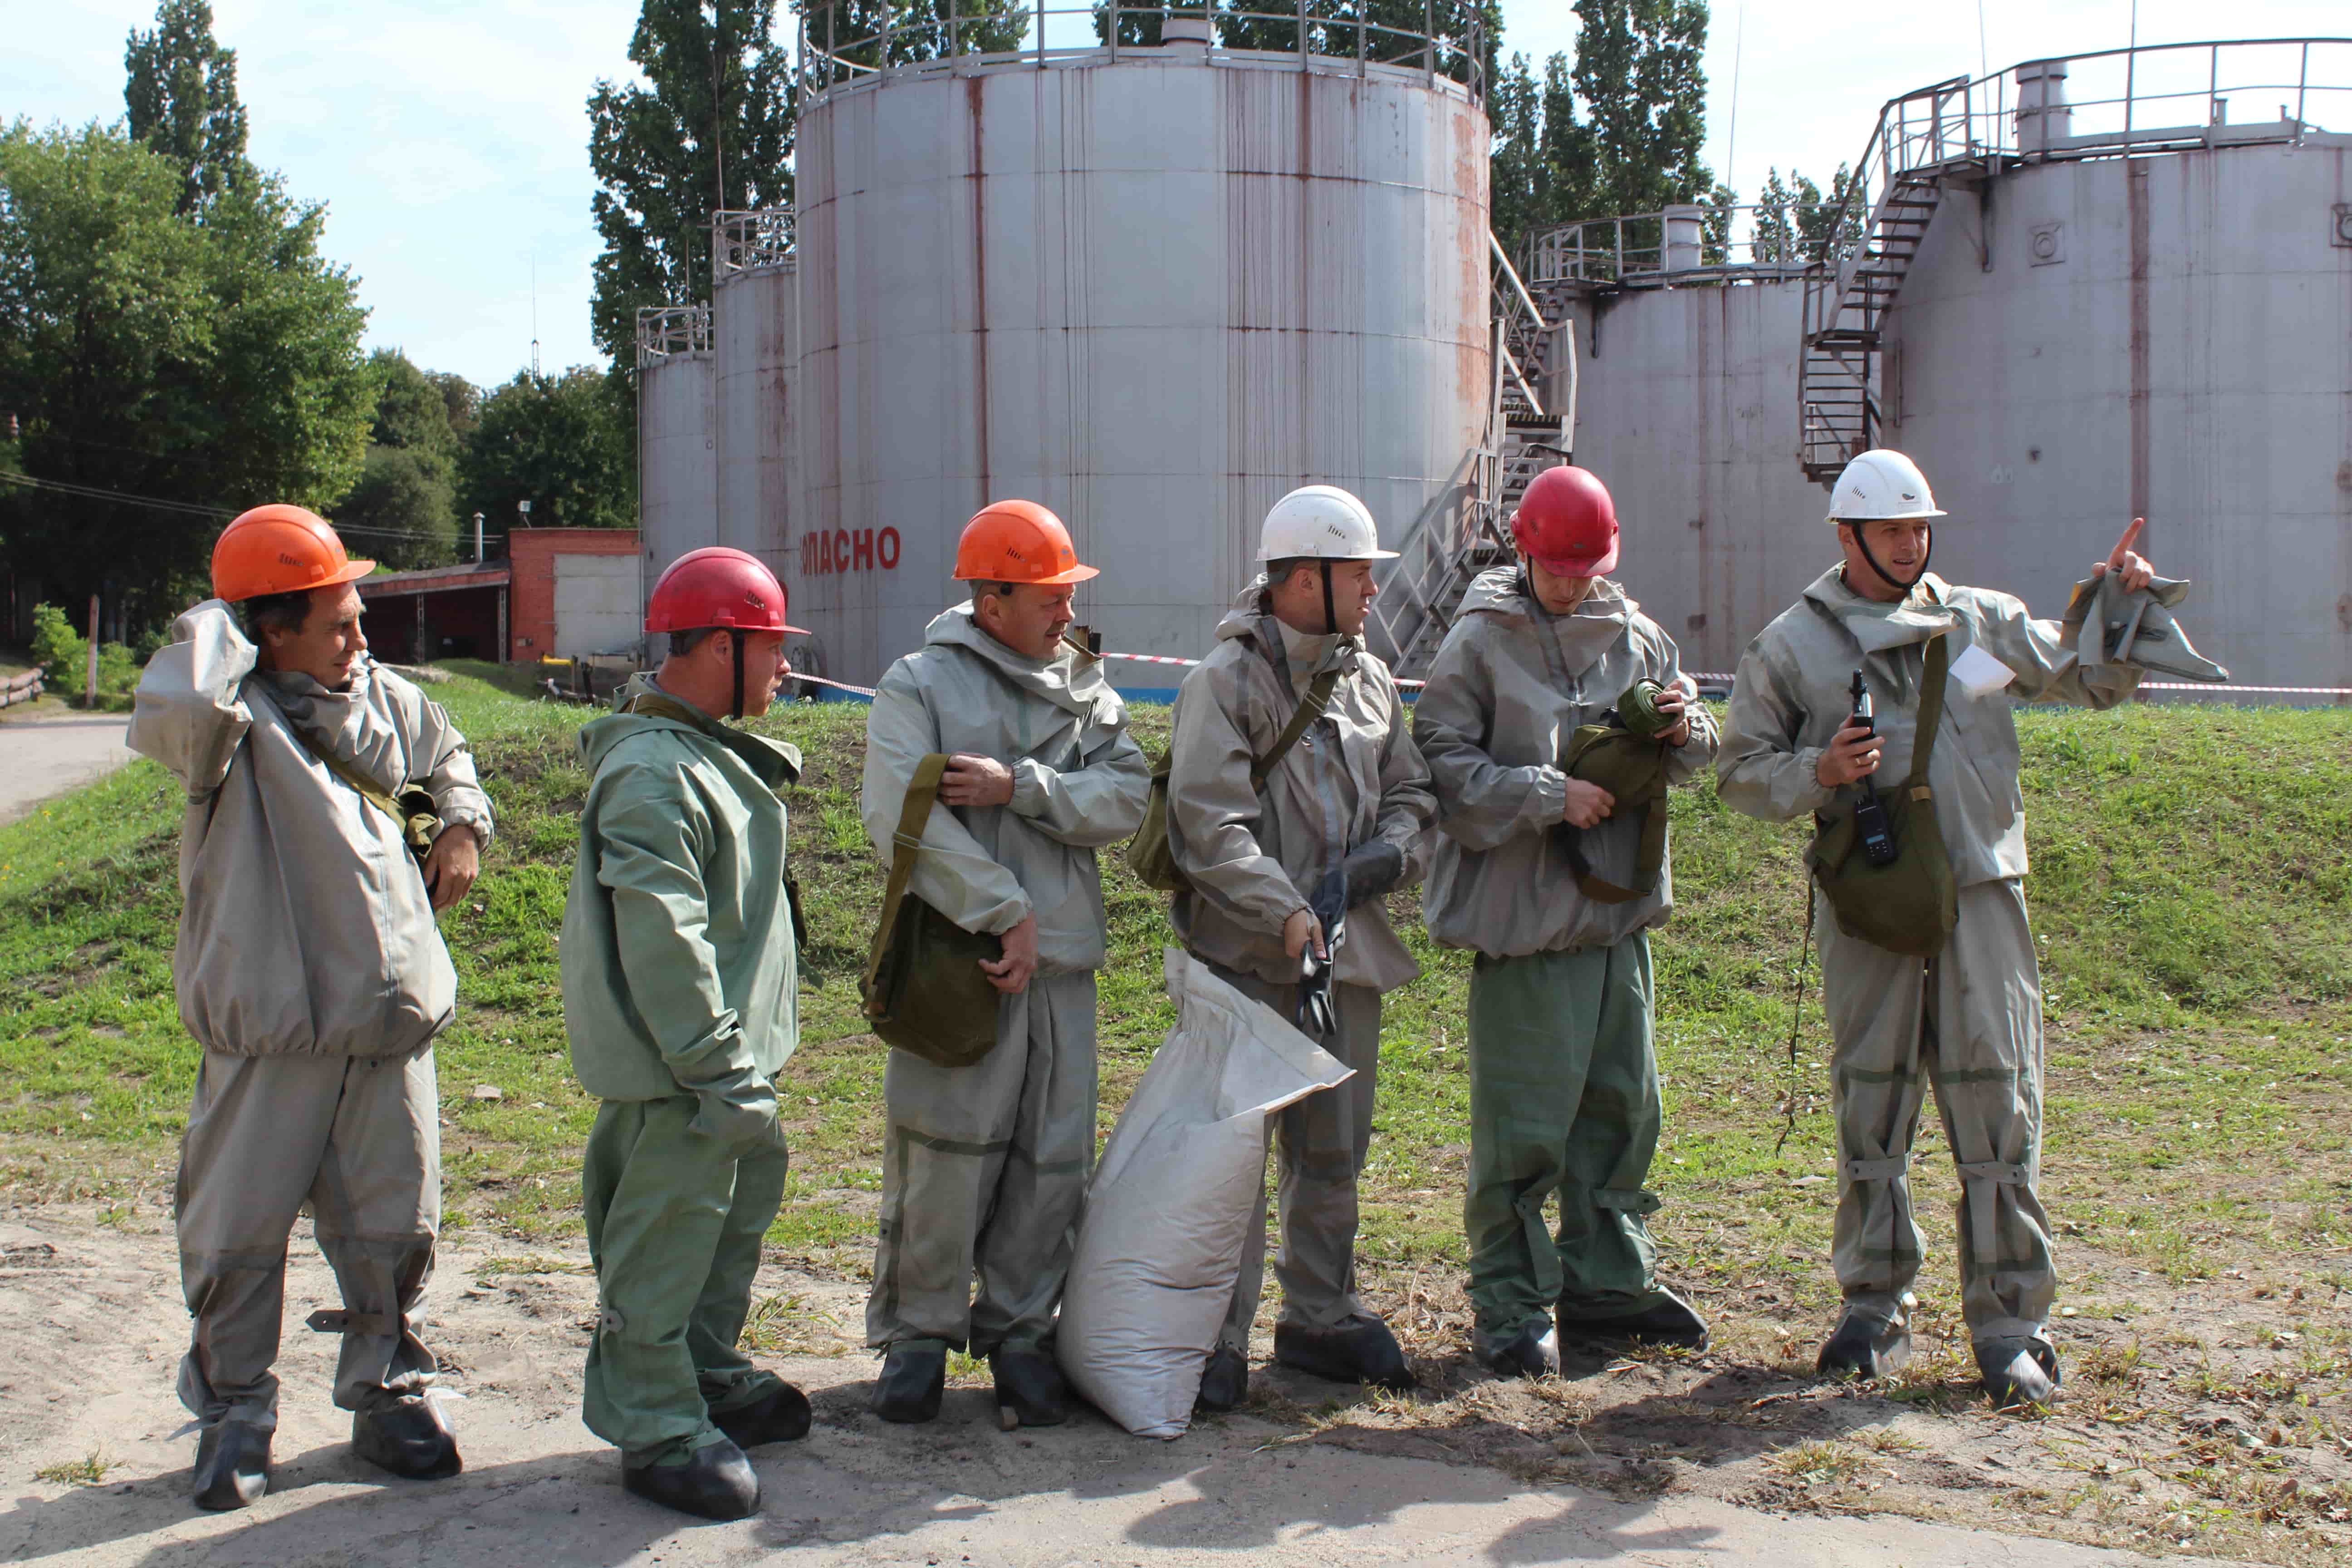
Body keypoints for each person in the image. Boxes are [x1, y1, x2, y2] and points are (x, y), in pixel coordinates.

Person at [1716, 449, 2157, 1406]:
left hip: (1982, 890)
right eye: (1893, 531)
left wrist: (2116, 604)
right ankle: (1873, 1308)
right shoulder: (1794, 646)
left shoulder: (1978, 624)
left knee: (1998, 1099)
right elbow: (1740, 771)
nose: (1913, 545)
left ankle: (2011, 1323)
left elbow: (2081, 675)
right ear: (1847, 536)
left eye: (1923, 529)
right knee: (1871, 1099)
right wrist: (1818, 774)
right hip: (1872, 900)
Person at [127, 505, 493, 1511]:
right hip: (274, 1034)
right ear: (266, 630)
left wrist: (456, 826)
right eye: (337, 622)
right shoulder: (222, 720)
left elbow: (434, 764)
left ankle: (388, 1395)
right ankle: (236, 1415)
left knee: (392, 1226)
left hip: (386, 1027)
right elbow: (176, 709)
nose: (360, 640)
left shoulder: (383, 699)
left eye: (358, 616)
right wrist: (227, 620)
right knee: (236, 1235)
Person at [1412, 466, 1719, 1378]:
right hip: (1525, 930)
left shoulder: (1636, 633)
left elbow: (1701, 736)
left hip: (1617, 926)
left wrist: (1684, 726)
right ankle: (1510, 1299)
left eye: (1585, 569)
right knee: (1525, 1127)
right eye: (1557, 570)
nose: (1572, 585)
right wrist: (1548, 794)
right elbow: (1441, 769)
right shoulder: (1478, 645)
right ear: (1524, 550)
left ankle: (1608, 1282)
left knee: (1622, 1112)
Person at [858, 500, 1150, 1427]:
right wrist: (1002, 909)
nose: (1066, 611)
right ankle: (917, 1339)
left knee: (1050, 1161)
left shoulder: (1089, 691)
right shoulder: (920, 686)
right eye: (1049, 595)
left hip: (1061, 969)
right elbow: (898, 819)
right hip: (959, 966)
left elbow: (1127, 797)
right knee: (944, 1153)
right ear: (990, 599)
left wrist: (1021, 785)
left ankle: (1023, 1333)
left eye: (1069, 593)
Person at [1166, 485, 1436, 1409]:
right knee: (1233, 1165)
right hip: (1250, 960)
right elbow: (1209, 826)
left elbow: (1413, 791)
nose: (1372, 593)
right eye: (1358, 575)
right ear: (1303, 579)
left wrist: (1383, 860)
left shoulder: (1368, 677)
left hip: (1345, 958)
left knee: (1333, 1150)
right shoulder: (1225, 684)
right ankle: (1213, 1338)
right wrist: (1285, 910)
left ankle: (1319, 1316)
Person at [561, 546, 813, 1520]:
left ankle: (703, 1372)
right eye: (773, 649)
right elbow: (665, 938)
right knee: (664, 1240)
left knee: (728, 1229)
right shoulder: (651, 770)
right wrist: (716, 1067)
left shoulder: (703, 752)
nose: (787, 669)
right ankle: (654, 1421)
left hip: (726, 1067)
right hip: (686, 1075)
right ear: (721, 645)